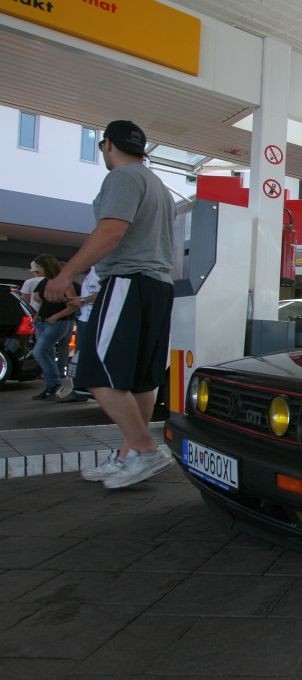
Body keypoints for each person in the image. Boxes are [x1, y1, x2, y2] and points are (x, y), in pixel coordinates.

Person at [44, 120, 176, 489]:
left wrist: (66, 274)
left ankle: (145, 451)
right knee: (140, 379)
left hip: (128, 282)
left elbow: (111, 231)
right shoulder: (158, 187)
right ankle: (129, 456)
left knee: (95, 372)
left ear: (107, 145)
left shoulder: (123, 177)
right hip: (158, 286)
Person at [29, 254, 79, 400]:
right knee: (47, 352)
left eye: (38, 267)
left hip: (57, 322)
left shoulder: (63, 282)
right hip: (43, 321)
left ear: (45, 266)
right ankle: (52, 386)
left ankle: (54, 385)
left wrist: (56, 316)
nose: (37, 270)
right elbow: (41, 301)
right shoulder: (45, 281)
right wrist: (37, 315)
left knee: (40, 352)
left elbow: (74, 304)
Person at [55, 266, 102, 403]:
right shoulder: (93, 271)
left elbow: (105, 293)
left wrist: (82, 300)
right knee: (80, 356)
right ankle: (80, 388)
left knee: (83, 355)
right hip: (85, 319)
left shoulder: (102, 271)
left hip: (92, 320)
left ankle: (82, 389)